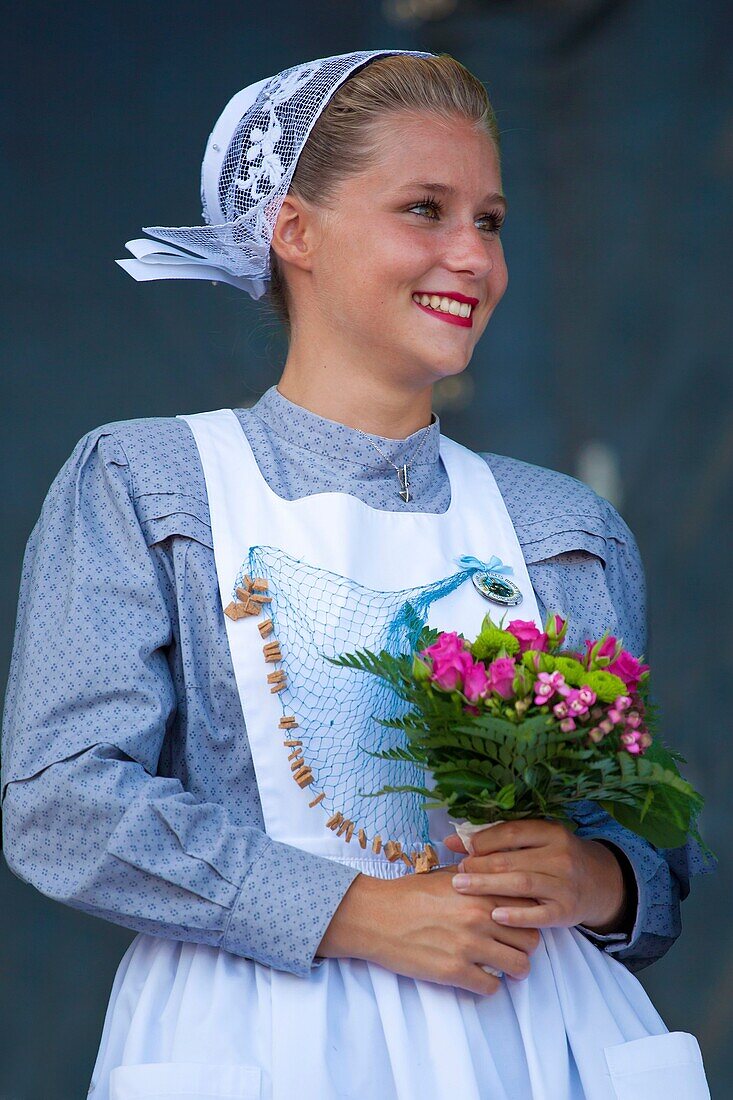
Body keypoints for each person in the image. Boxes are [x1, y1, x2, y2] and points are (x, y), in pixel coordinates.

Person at [0, 49, 714, 1100]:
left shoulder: (564, 524)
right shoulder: (146, 481)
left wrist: (593, 878)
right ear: (295, 231)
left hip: (539, 1039)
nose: (472, 255)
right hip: (257, 1037)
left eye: (492, 220)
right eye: (425, 209)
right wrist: (351, 910)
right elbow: (60, 800)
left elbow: (646, 844)